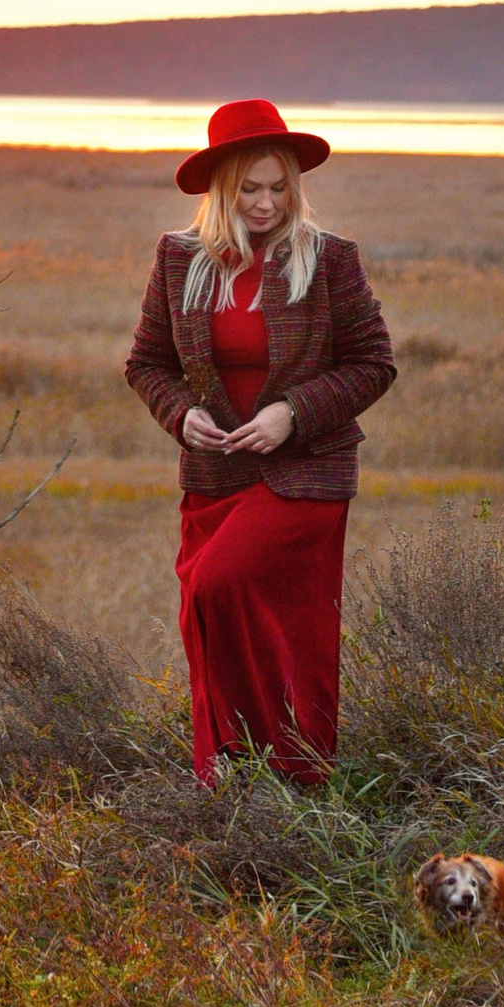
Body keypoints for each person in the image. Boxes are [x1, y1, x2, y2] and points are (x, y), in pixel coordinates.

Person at [123, 96, 396, 785]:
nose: (267, 202)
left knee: (227, 590)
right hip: (213, 480)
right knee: (207, 617)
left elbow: (373, 364)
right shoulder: (179, 259)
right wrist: (180, 413)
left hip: (304, 477)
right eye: (251, 189)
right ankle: (235, 776)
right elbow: (146, 363)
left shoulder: (330, 259)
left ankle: (295, 767)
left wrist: (292, 415)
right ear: (222, 188)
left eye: (279, 188)